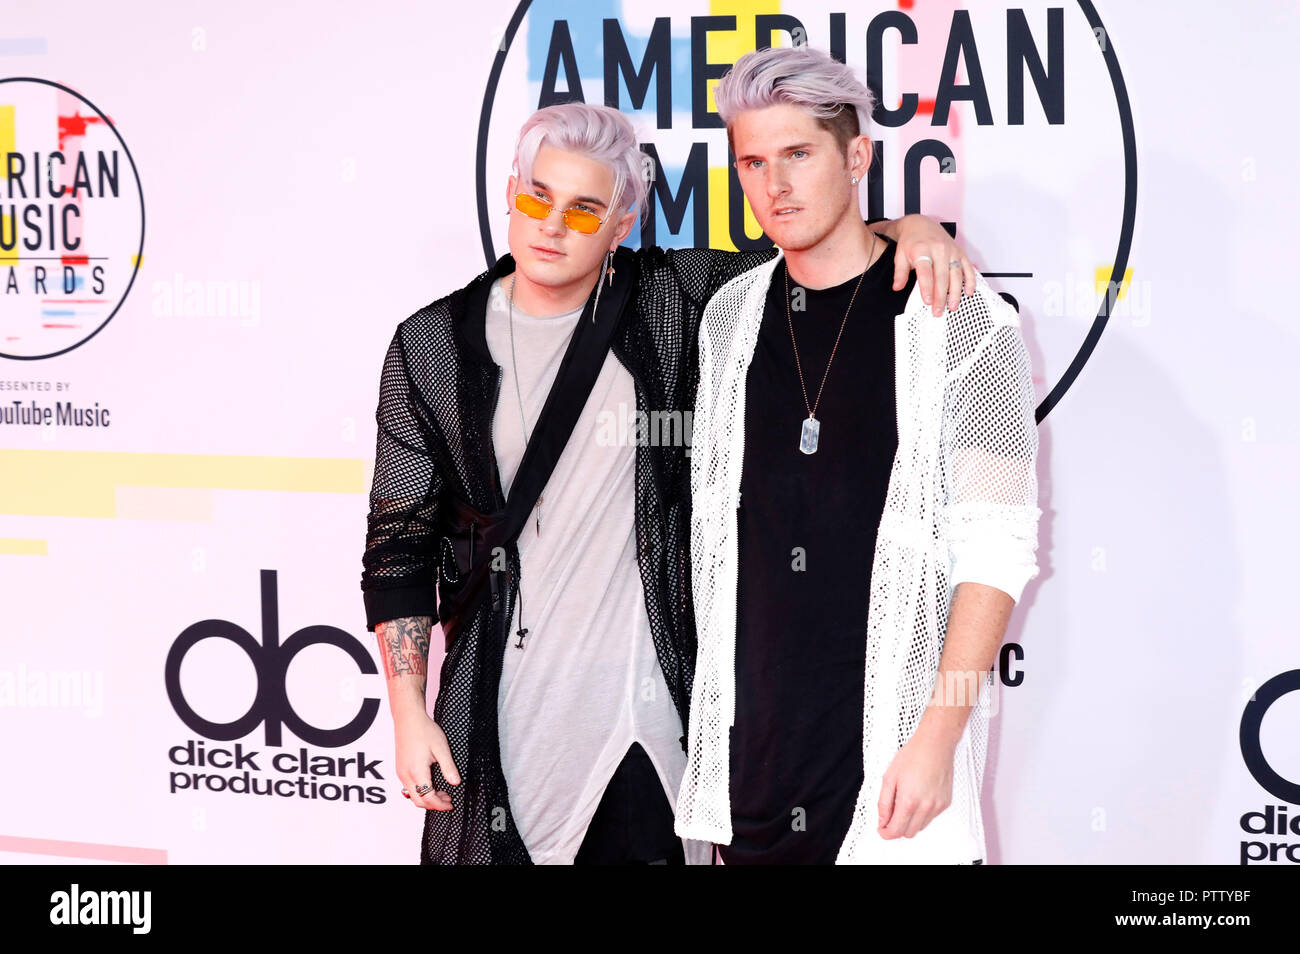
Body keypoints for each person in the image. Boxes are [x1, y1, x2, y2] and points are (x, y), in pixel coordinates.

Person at [360, 100, 974, 864]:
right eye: (536, 197)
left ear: (622, 225)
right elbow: (397, 550)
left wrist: (912, 230)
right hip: (510, 714)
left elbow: (816, 245)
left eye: (586, 210)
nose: (552, 226)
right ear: (511, 192)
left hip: (655, 723)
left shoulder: (672, 297)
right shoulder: (433, 346)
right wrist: (409, 714)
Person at [675, 45, 1042, 864]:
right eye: (753, 162)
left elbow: (998, 545)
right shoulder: (730, 315)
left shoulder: (962, 318)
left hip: (889, 762)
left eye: (799, 155)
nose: (776, 185)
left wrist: (939, 737)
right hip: (751, 770)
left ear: (858, 155)